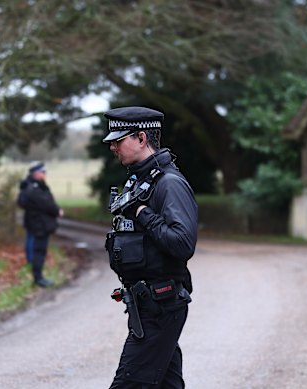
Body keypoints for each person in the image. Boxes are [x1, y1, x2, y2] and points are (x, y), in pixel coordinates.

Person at [103, 106, 198, 388]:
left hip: (161, 304)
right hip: (147, 304)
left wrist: (143, 212)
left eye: (118, 140)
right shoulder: (142, 180)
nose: (112, 146)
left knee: (128, 384)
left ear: (142, 138)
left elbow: (183, 243)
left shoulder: (169, 183)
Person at [17, 161, 63, 288]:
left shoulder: (30, 186)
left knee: (38, 250)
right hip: (39, 225)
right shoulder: (33, 188)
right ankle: (38, 278)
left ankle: (38, 276)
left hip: (37, 223)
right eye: (43, 172)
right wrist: (57, 210)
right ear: (36, 173)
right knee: (39, 252)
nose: (44, 175)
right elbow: (46, 203)